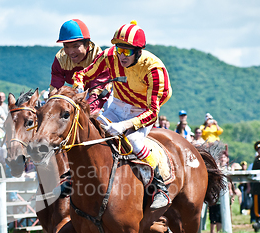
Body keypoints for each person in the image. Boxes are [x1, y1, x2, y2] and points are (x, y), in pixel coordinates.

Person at [73, 20, 172, 209]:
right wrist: (78, 87)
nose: (121, 55)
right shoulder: (110, 55)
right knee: (90, 132)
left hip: (143, 109)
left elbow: (152, 114)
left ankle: (159, 188)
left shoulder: (154, 69)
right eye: (119, 49)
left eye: (127, 51)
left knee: (134, 141)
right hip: (118, 103)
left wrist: (124, 126)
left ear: (139, 51)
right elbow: (82, 75)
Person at [51, 19, 111, 113]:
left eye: (75, 46)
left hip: (103, 93)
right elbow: (55, 89)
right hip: (79, 92)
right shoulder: (60, 59)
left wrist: (87, 112)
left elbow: (97, 92)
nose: (70, 52)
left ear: (87, 44)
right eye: (66, 46)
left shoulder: (99, 57)